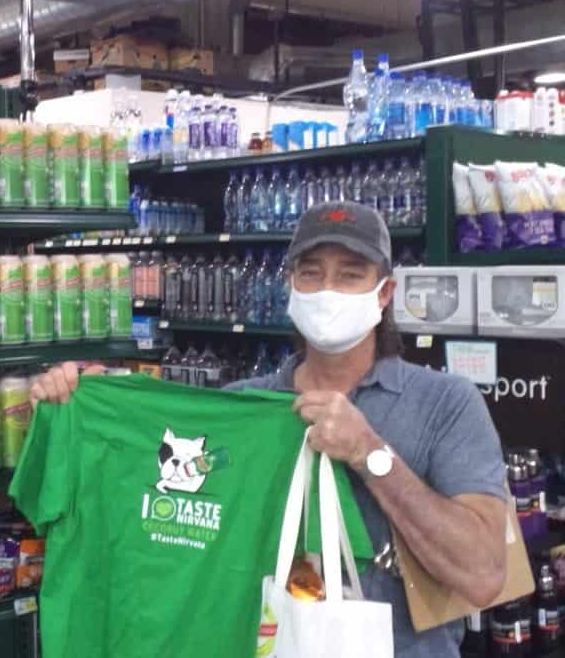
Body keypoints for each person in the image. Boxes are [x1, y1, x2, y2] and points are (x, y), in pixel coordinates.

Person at [30, 201, 507, 658]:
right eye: (311, 273)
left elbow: (484, 575)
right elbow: (167, 486)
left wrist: (370, 454)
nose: (328, 290)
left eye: (350, 275)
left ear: (384, 293)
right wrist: (85, 412)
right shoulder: (243, 409)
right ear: (291, 285)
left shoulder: (446, 404)